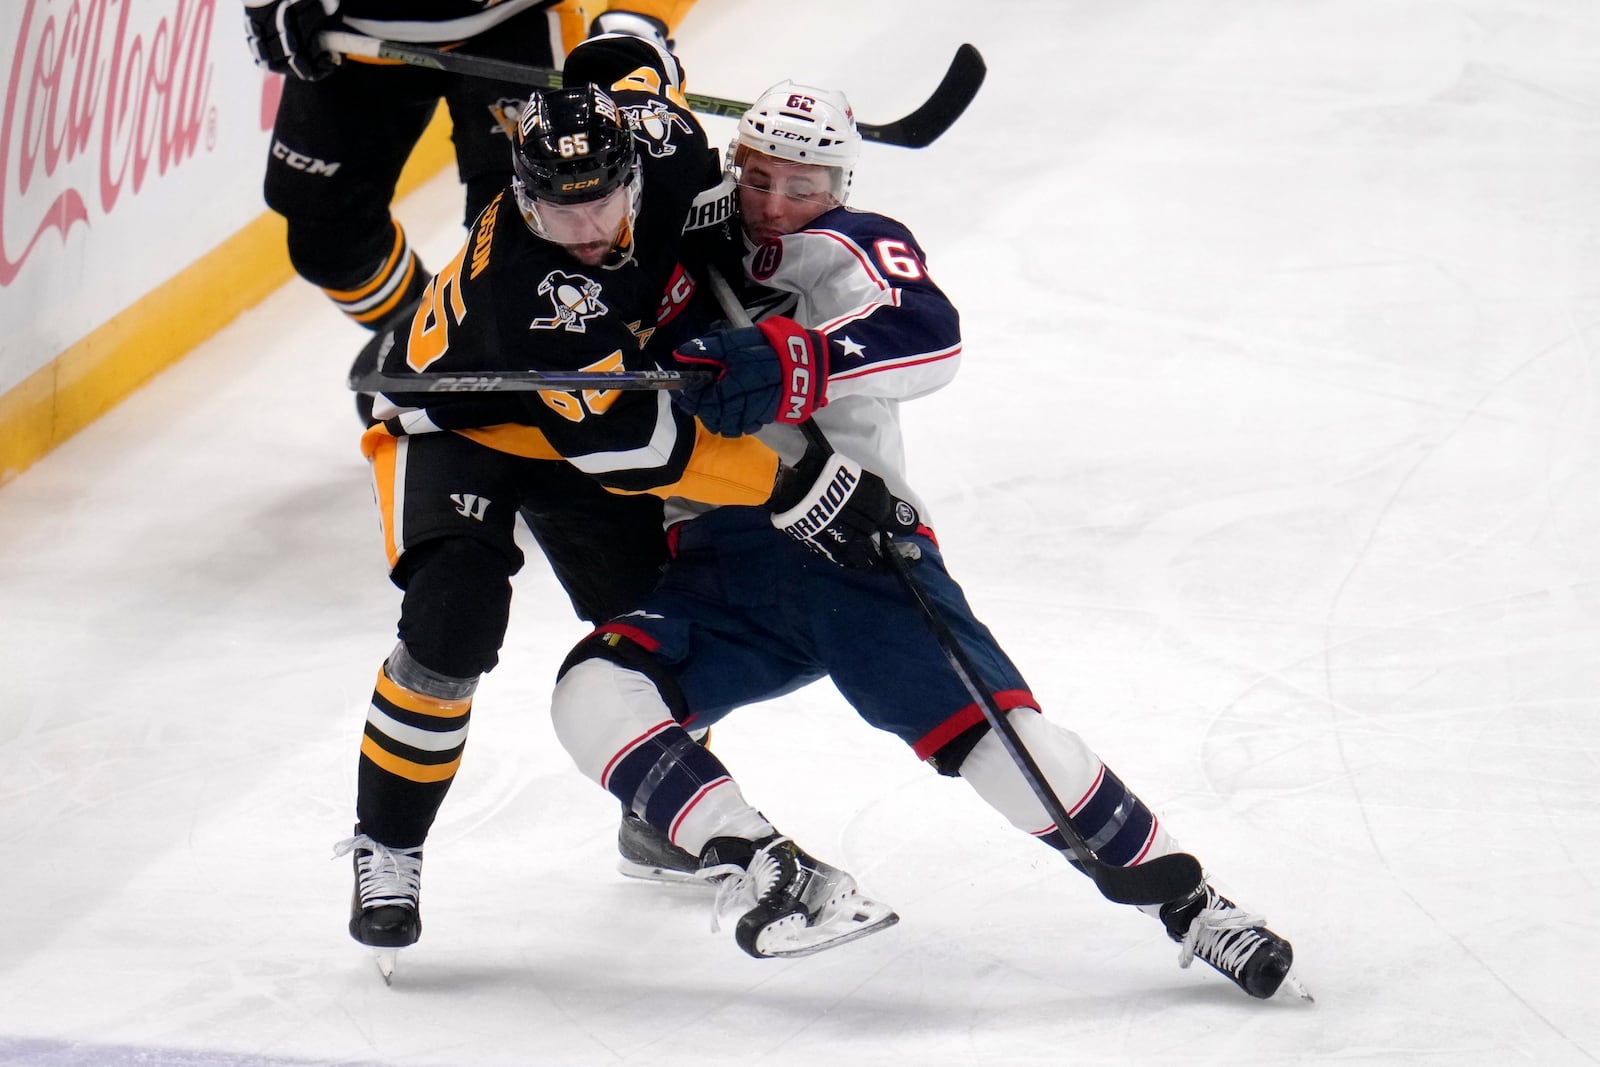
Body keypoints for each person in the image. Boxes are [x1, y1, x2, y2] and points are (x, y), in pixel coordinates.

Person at [548, 81, 1308, 998]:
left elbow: (927, 332)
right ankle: (754, 859)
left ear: (841, 181)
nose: (778, 204)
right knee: (594, 686)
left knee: (1000, 738)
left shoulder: (852, 242)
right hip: (718, 566)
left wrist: (802, 358)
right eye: (760, 180)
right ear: (732, 165)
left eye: (805, 182)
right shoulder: (672, 228)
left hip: (850, 546)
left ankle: (1191, 903)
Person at [333, 36, 904, 978]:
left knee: (657, 634)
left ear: (634, 166)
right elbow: (636, 451)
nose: (586, 226)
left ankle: (657, 817)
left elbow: (624, 66)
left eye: (600, 198)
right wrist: (798, 483)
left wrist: (637, 40)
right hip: (455, 426)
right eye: (556, 210)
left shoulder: (668, 140)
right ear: (519, 196)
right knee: (454, 622)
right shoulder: (534, 293)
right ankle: (386, 844)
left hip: (581, 423)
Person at [245, 1, 701, 628]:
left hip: (514, 23)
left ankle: (548, 398)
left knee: (541, 250)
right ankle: (434, 325)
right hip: (357, 23)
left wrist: (633, 15)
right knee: (327, 241)